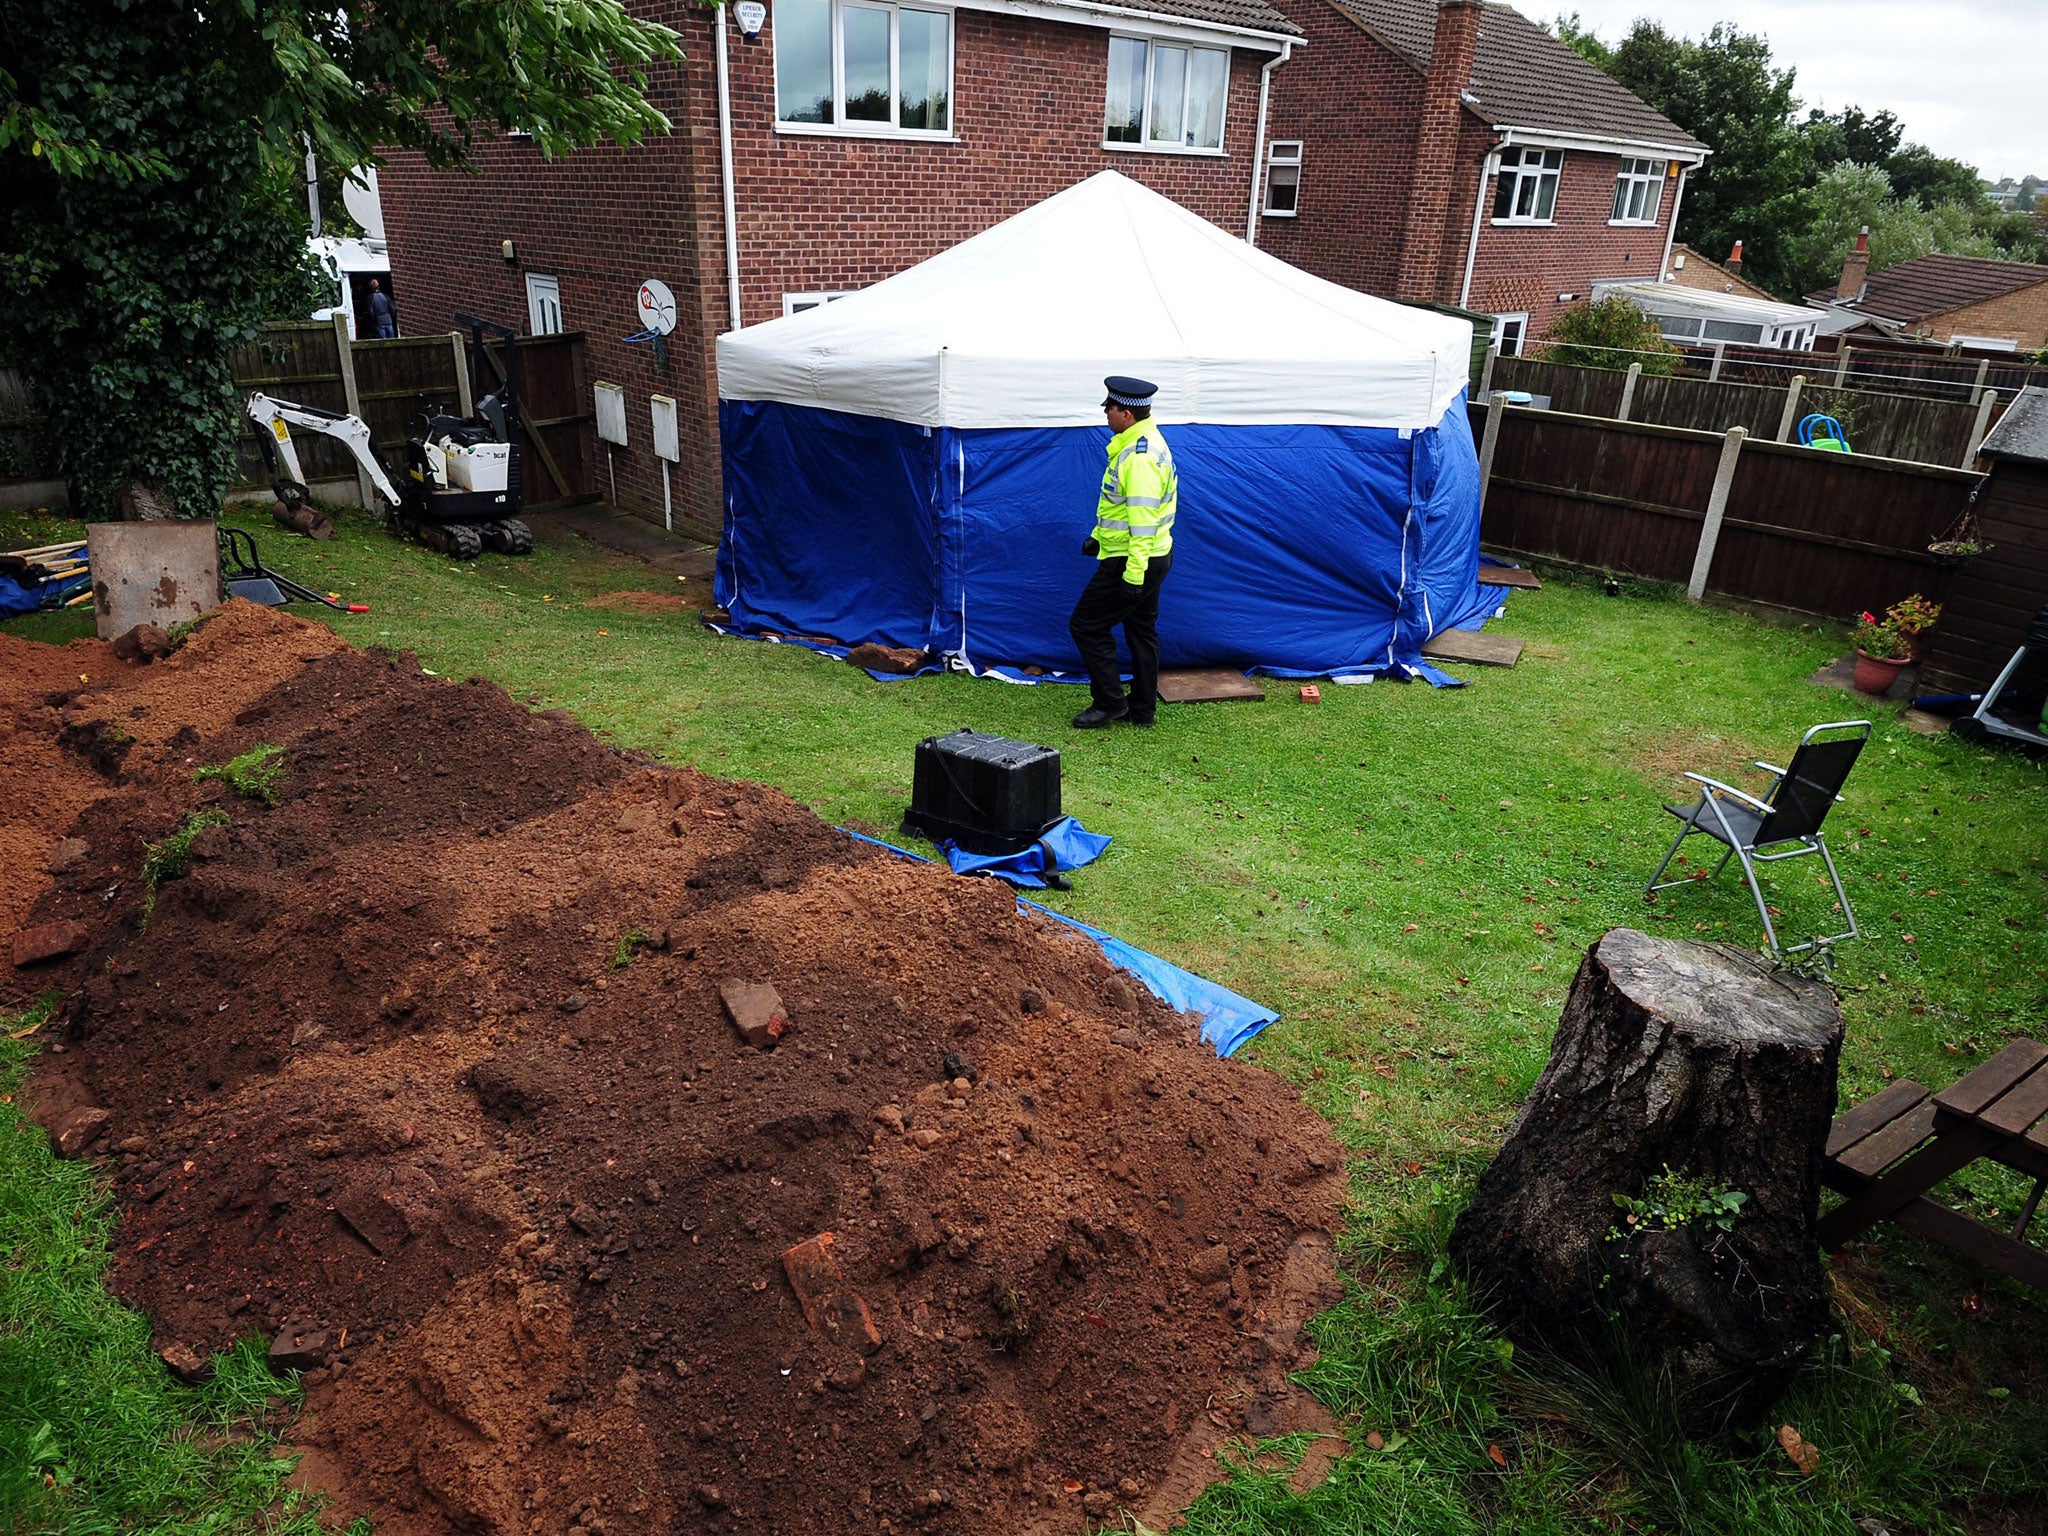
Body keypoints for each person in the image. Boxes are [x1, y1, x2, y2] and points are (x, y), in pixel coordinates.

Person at [1068, 375, 1177, 729]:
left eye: (1110, 408)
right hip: (1151, 555)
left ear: (1126, 414)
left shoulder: (1138, 458)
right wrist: (1098, 537)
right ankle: (1142, 709)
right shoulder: (1147, 443)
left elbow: (1142, 520)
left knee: (1086, 625)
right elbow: (1121, 509)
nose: (1106, 414)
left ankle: (1110, 703)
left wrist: (1132, 574)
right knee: (1141, 631)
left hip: (1133, 560)